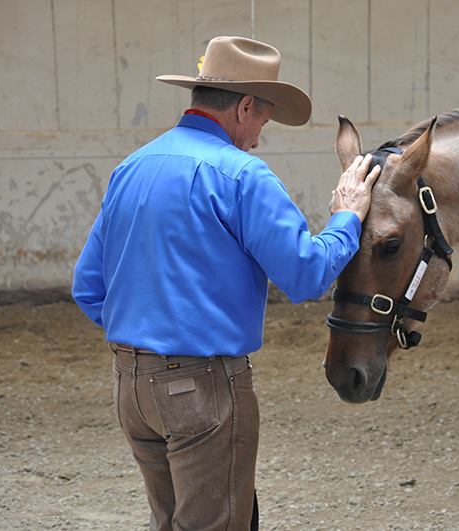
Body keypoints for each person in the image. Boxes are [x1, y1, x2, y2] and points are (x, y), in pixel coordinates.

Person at [71, 36, 380, 531]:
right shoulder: (242, 176)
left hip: (130, 385)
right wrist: (346, 217)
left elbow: (88, 287)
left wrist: (147, 340)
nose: (259, 136)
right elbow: (304, 275)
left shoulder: (131, 167)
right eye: (262, 120)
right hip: (202, 386)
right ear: (244, 107)